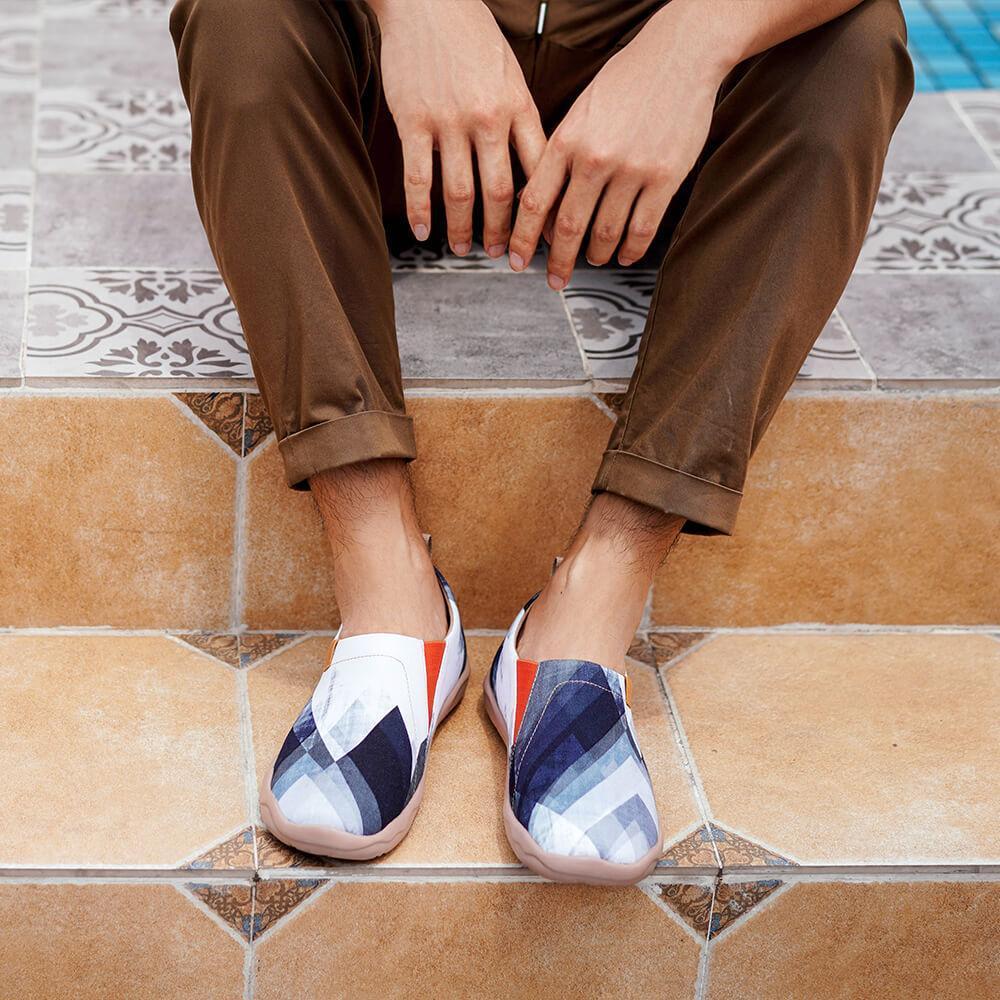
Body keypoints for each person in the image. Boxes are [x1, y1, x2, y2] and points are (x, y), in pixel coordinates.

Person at [171, 0, 912, 885]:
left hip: (666, 137)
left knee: (855, 47)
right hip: (390, 115)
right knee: (241, 14)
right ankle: (390, 598)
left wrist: (691, 48)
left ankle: (585, 617)